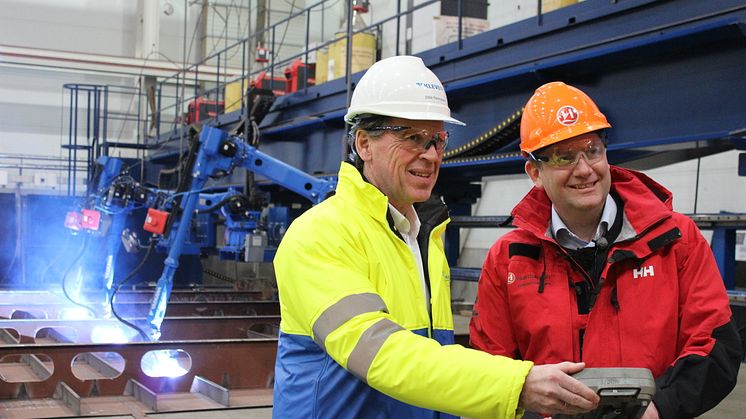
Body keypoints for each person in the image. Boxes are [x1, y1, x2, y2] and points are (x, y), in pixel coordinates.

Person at [272, 57, 601, 418]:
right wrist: (515, 385)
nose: (430, 155)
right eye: (412, 137)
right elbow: (382, 356)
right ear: (364, 144)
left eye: (437, 140)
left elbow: (433, 363)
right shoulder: (319, 235)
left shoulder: (423, 236)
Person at [469, 81, 743, 419]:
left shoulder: (675, 240)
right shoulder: (508, 259)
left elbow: (716, 346)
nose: (584, 169)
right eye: (563, 157)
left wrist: (661, 408)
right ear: (535, 172)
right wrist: (522, 390)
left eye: (592, 150)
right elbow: (488, 365)